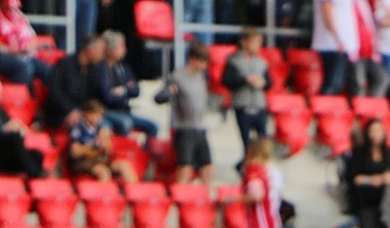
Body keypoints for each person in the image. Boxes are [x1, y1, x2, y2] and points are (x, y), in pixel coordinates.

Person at [155, 41, 213, 185]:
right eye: (202, 62)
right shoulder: (177, 77)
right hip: (184, 127)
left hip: (199, 126)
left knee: (207, 166)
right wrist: (169, 92)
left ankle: (207, 198)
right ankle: (181, 197)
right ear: (193, 59)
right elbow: (158, 97)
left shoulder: (200, 77)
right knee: (185, 166)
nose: (204, 67)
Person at [91, 30, 157, 139]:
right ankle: (122, 152)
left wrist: (123, 90)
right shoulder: (100, 69)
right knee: (125, 123)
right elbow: (107, 97)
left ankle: (148, 155)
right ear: (110, 50)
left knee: (153, 126)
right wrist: (126, 89)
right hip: (106, 112)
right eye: (121, 47)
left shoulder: (123, 68)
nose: (125, 50)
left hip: (124, 110)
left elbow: (136, 90)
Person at [312, 0, 360, 96]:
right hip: (333, 44)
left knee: (339, 83)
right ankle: (322, 112)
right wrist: (337, 37)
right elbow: (327, 9)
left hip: (342, 44)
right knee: (333, 83)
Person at [240, 137, 283, 228]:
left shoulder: (254, 169)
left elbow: (256, 194)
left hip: (260, 221)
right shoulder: (272, 170)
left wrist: (235, 199)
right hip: (270, 218)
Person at [222, 27, 269, 155]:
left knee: (264, 140)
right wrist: (245, 80)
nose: (258, 46)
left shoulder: (261, 62)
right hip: (242, 106)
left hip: (259, 105)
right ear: (244, 42)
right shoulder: (233, 61)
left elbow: (269, 83)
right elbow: (227, 81)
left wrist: (262, 82)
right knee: (247, 143)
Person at [44, 33, 105, 130]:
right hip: (60, 113)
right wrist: (70, 110)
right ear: (90, 50)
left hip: (83, 112)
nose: (102, 55)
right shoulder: (65, 64)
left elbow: (98, 95)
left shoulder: (94, 70)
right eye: (101, 51)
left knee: (105, 126)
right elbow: (54, 91)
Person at [69, 99, 138, 182]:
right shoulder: (78, 129)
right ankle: (105, 195)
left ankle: (136, 193)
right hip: (83, 162)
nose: (99, 119)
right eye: (96, 115)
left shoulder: (101, 129)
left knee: (124, 166)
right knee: (103, 172)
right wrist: (92, 143)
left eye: (100, 116)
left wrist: (106, 141)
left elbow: (108, 152)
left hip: (100, 160)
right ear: (87, 114)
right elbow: (75, 153)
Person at [0, 0, 54, 89]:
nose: (12, 7)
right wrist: (12, 50)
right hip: (5, 56)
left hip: (24, 55)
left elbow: (32, 36)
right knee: (25, 68)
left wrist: (29, 47)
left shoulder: (19, 15)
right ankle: (19, 101)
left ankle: (48, 104)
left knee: (49, 70)